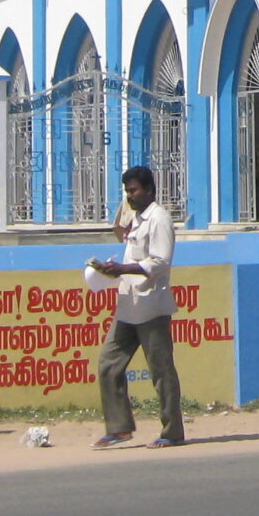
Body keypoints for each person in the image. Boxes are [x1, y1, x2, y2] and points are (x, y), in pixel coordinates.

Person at [91, 165, 185, 448]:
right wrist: (110, 270)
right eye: (127, 191)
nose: (129, 196)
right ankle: (119, 428)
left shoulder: (159, 219)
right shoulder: (134, 216)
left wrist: (123, 268)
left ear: (149, 190)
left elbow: (160, 262)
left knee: (161, 371)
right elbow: (122, 234)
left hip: (151, 305)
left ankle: (172, 432)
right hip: (127, 305)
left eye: (133, 190)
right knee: (109, 364)